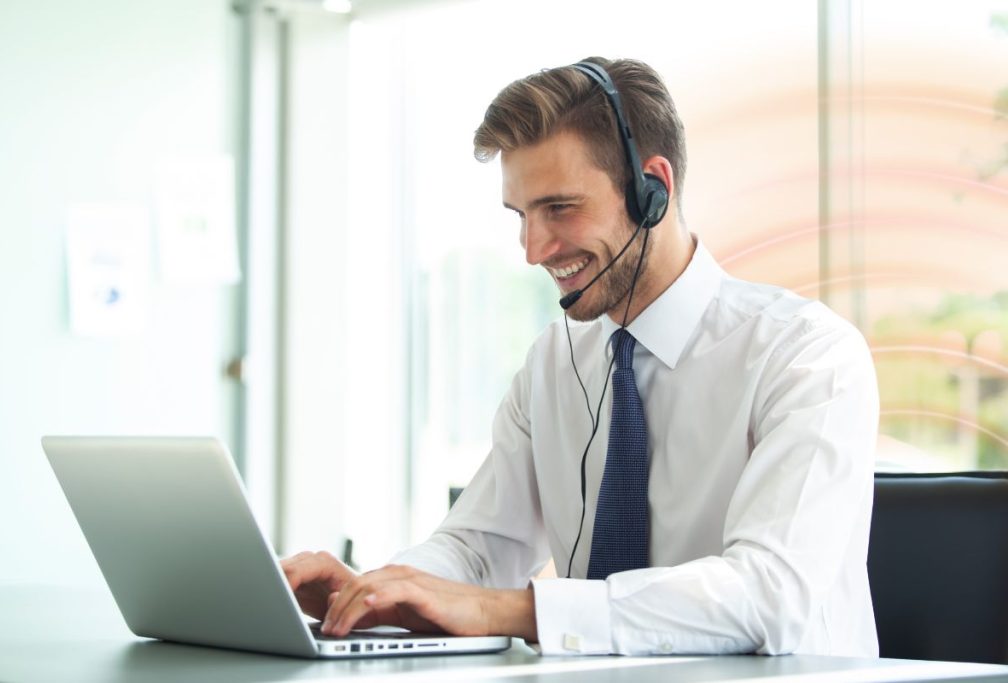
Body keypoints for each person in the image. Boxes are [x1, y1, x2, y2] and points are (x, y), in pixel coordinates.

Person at [282, 56, 879, 657]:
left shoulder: (806, 356)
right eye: (521, 216)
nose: (533, 249)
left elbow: (768, 594)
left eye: (560, 208)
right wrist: (378, 594)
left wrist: (506, 610)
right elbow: (478, 547)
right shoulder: (553, 363)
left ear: (654, 190)